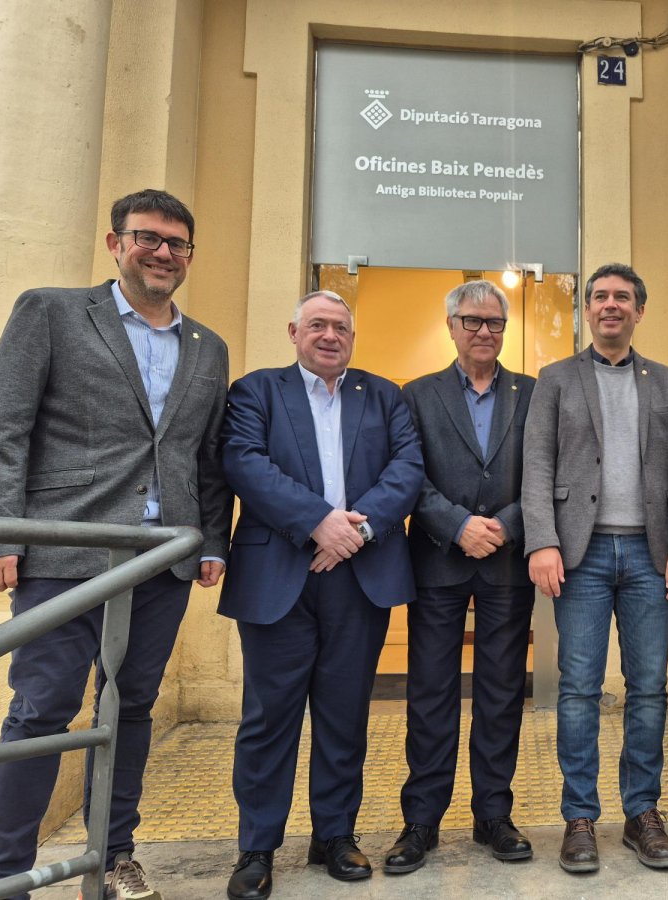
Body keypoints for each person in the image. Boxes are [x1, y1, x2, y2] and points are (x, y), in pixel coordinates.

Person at [0, 189, 232, 900]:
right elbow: (0, 427)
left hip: (161, 562)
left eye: (177, 244)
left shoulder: (206, 346)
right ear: (114, 243)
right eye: (148, 238)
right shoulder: (52, 313)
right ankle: (1, 873)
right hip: (65, 554)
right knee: (40, 709)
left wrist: (211, 539)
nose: (163, 253)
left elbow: (205, 457)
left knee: (130, 709)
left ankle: (113, 854)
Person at [219, 290, 423, 899]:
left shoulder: (384, 394)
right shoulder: (256, 391)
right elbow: (244, 462)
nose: (329, 335)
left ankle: (334, 834)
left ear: (352, 336)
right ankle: (257, 847)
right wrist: (319, 521)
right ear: (293, 331)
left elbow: (408, 468)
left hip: (358, 577)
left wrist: (354, 529)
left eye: (340, 327)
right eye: (317, 325)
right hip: (277, 575)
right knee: (267, 718)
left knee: (344, 714)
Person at [522, 263, 668, 874]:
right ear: (587, 310)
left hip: (651, 556)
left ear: (638, 311)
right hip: (581, 556)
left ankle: (642, 813)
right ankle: (579, 817)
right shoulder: (556, 378)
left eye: (623, 296)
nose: (610, 305)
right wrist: (541, 542)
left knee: (648, 687)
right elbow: (536, 466)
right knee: (578, 688)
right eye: (600, 296)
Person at [385, 280, 536, 874]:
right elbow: (405, 474)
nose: (484, 332)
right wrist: (457, 525)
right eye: (472, 322)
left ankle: (493, 814)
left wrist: (505, 524)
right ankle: (421, 819)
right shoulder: (415, 395)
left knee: (501, 694)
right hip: (438, 560)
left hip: (506, 560)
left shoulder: (533, 393)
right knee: (430, 694)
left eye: (494, 323)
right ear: (450, 326)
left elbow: (548, 470)